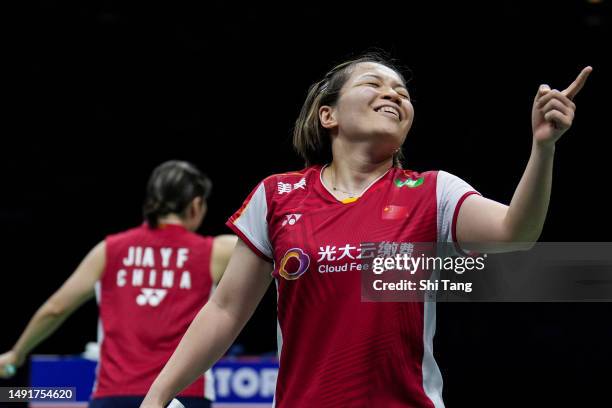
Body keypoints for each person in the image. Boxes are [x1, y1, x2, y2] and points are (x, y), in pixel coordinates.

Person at [139, 54, 591, 407]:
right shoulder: (278, 195)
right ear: (328, 115)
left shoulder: (432, 191)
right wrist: (158, 396)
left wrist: (543, 149)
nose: (394, 94)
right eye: (373, 84)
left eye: (403, 91)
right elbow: (225, 310)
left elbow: (516, 234)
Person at [0, 160, 237, 408]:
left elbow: (55, 308)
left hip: (115, 395)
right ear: (196, 205)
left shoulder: (109, 250)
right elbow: (264, 245)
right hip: (183, 396)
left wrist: (16, 354)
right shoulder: (214, 252)